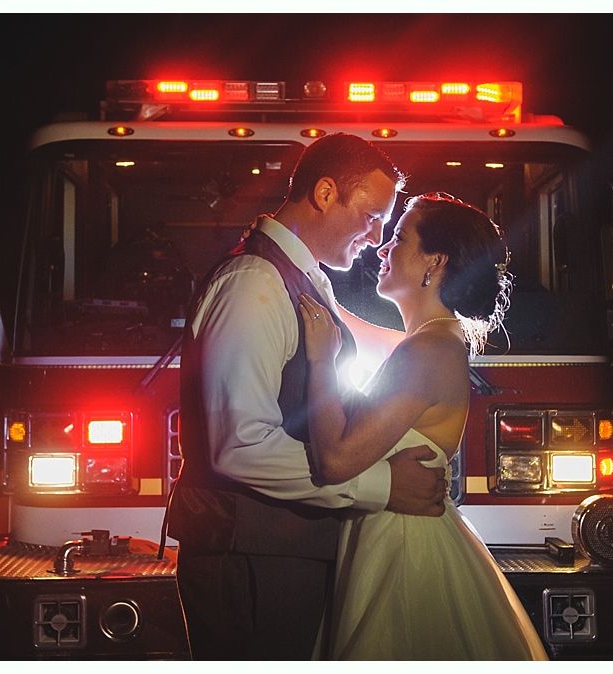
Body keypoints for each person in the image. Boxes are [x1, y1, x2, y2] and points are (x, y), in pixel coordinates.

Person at [165, 134, 448, 660]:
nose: (376, 236)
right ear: (324, 193)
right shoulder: (254, 285)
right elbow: (242, 446)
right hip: (249, 556)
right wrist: (382, 485)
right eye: (370, 216)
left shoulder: (300, 280)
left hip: (277, 552)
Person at [298, 192, 549, 660]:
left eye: (398, 238)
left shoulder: (424, 353)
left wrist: (319, 362)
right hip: (403, 536)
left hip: (400, 550)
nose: (382, 249)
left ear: (434, 261)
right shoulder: (434, 340)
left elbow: (336, 460)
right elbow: (345, 324)